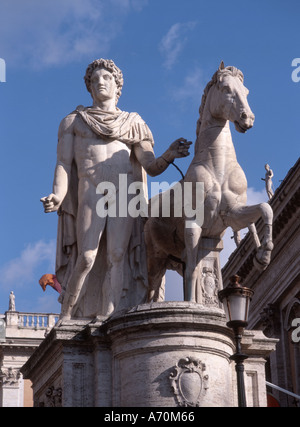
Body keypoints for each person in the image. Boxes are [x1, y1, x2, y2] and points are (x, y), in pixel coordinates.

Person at [41, 59, 191, 322]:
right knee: (87, 257)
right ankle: (67, 314)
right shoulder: (73, 122)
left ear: (118, 86)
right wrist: (58, 194)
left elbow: (151, 166)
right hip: (91, 191)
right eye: (95, 79)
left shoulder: (133, 123)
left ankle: (108, 315)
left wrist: (169, 154)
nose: (101, 82)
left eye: (106, 78)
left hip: (123, 194)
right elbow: (64, 164)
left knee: (118, 255)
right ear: (88, 86)